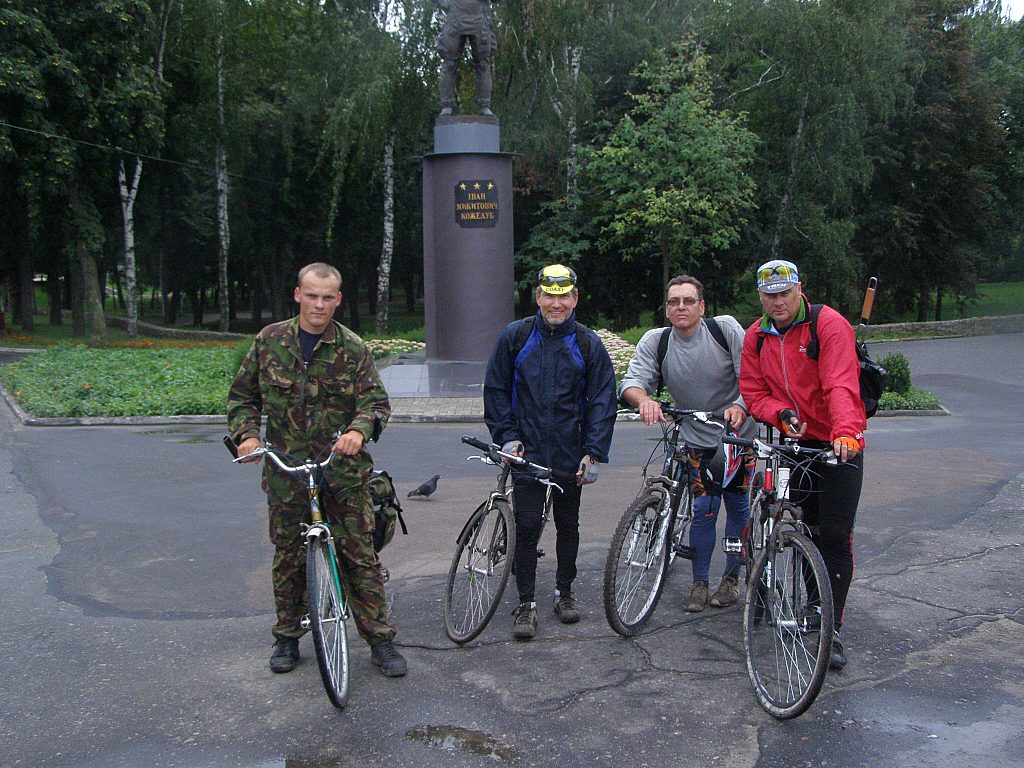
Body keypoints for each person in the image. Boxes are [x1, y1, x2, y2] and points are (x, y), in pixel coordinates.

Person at [227, 263, 407, 677]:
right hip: (287, 472)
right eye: (311, 296)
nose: (319, 305)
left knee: (359, 557)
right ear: (297, 295)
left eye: (327, 297)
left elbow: (375, 403)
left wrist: (358, 431)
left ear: (338, 300)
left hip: (341, 472)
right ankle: (287, 637)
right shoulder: (270, 341)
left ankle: (380, 641)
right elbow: (242, 398)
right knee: (289, 557)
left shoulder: (352, 347)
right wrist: (248, 436)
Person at [738, 259, 866, 670]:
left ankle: (833, 627)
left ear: (799, 289)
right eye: (770, 295)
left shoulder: (827, 324)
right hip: (795, 442)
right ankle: (814, 607)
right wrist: (779, 414)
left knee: (835, 534)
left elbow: (840, 382)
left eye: (785, 293)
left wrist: (845, 432)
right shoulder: (756, 336)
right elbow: (753, 392)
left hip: (839, 442)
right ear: (761, 296)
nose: (778, 302)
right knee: (806, 528)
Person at [484, 264, 617, 640]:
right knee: (526, 527)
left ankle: (564, 593)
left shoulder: (587, 343)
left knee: (568, 524)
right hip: (526, 451)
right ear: (538, 297)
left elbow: (602, 400)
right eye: (549, 296)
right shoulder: (516, 336)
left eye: (563, 297)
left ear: (575, 299)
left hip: (569, 452)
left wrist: (593, 452)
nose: (556, 304)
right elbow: (496, 389)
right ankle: (525, 603)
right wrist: (506, 437)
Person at [620, 275, 756, 613]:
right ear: (666, 309)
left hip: (734, 436)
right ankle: (700, 583)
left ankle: (731, 578)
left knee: (737, 506)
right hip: (695, 438)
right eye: (674, 301)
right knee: (703, 510)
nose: (681, 307)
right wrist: (643, 401)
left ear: (702, 306)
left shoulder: (724, 330)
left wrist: (740, 405)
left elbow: (753, 378)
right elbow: (632, 383)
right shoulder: (658, 340)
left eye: (689, 301)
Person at [435, 0, 497, 116]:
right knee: (450, 64)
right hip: (455, 17)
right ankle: (446, 105)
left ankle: (485, 105)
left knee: (483, 64)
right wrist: (446, 4)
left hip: (479, 17)